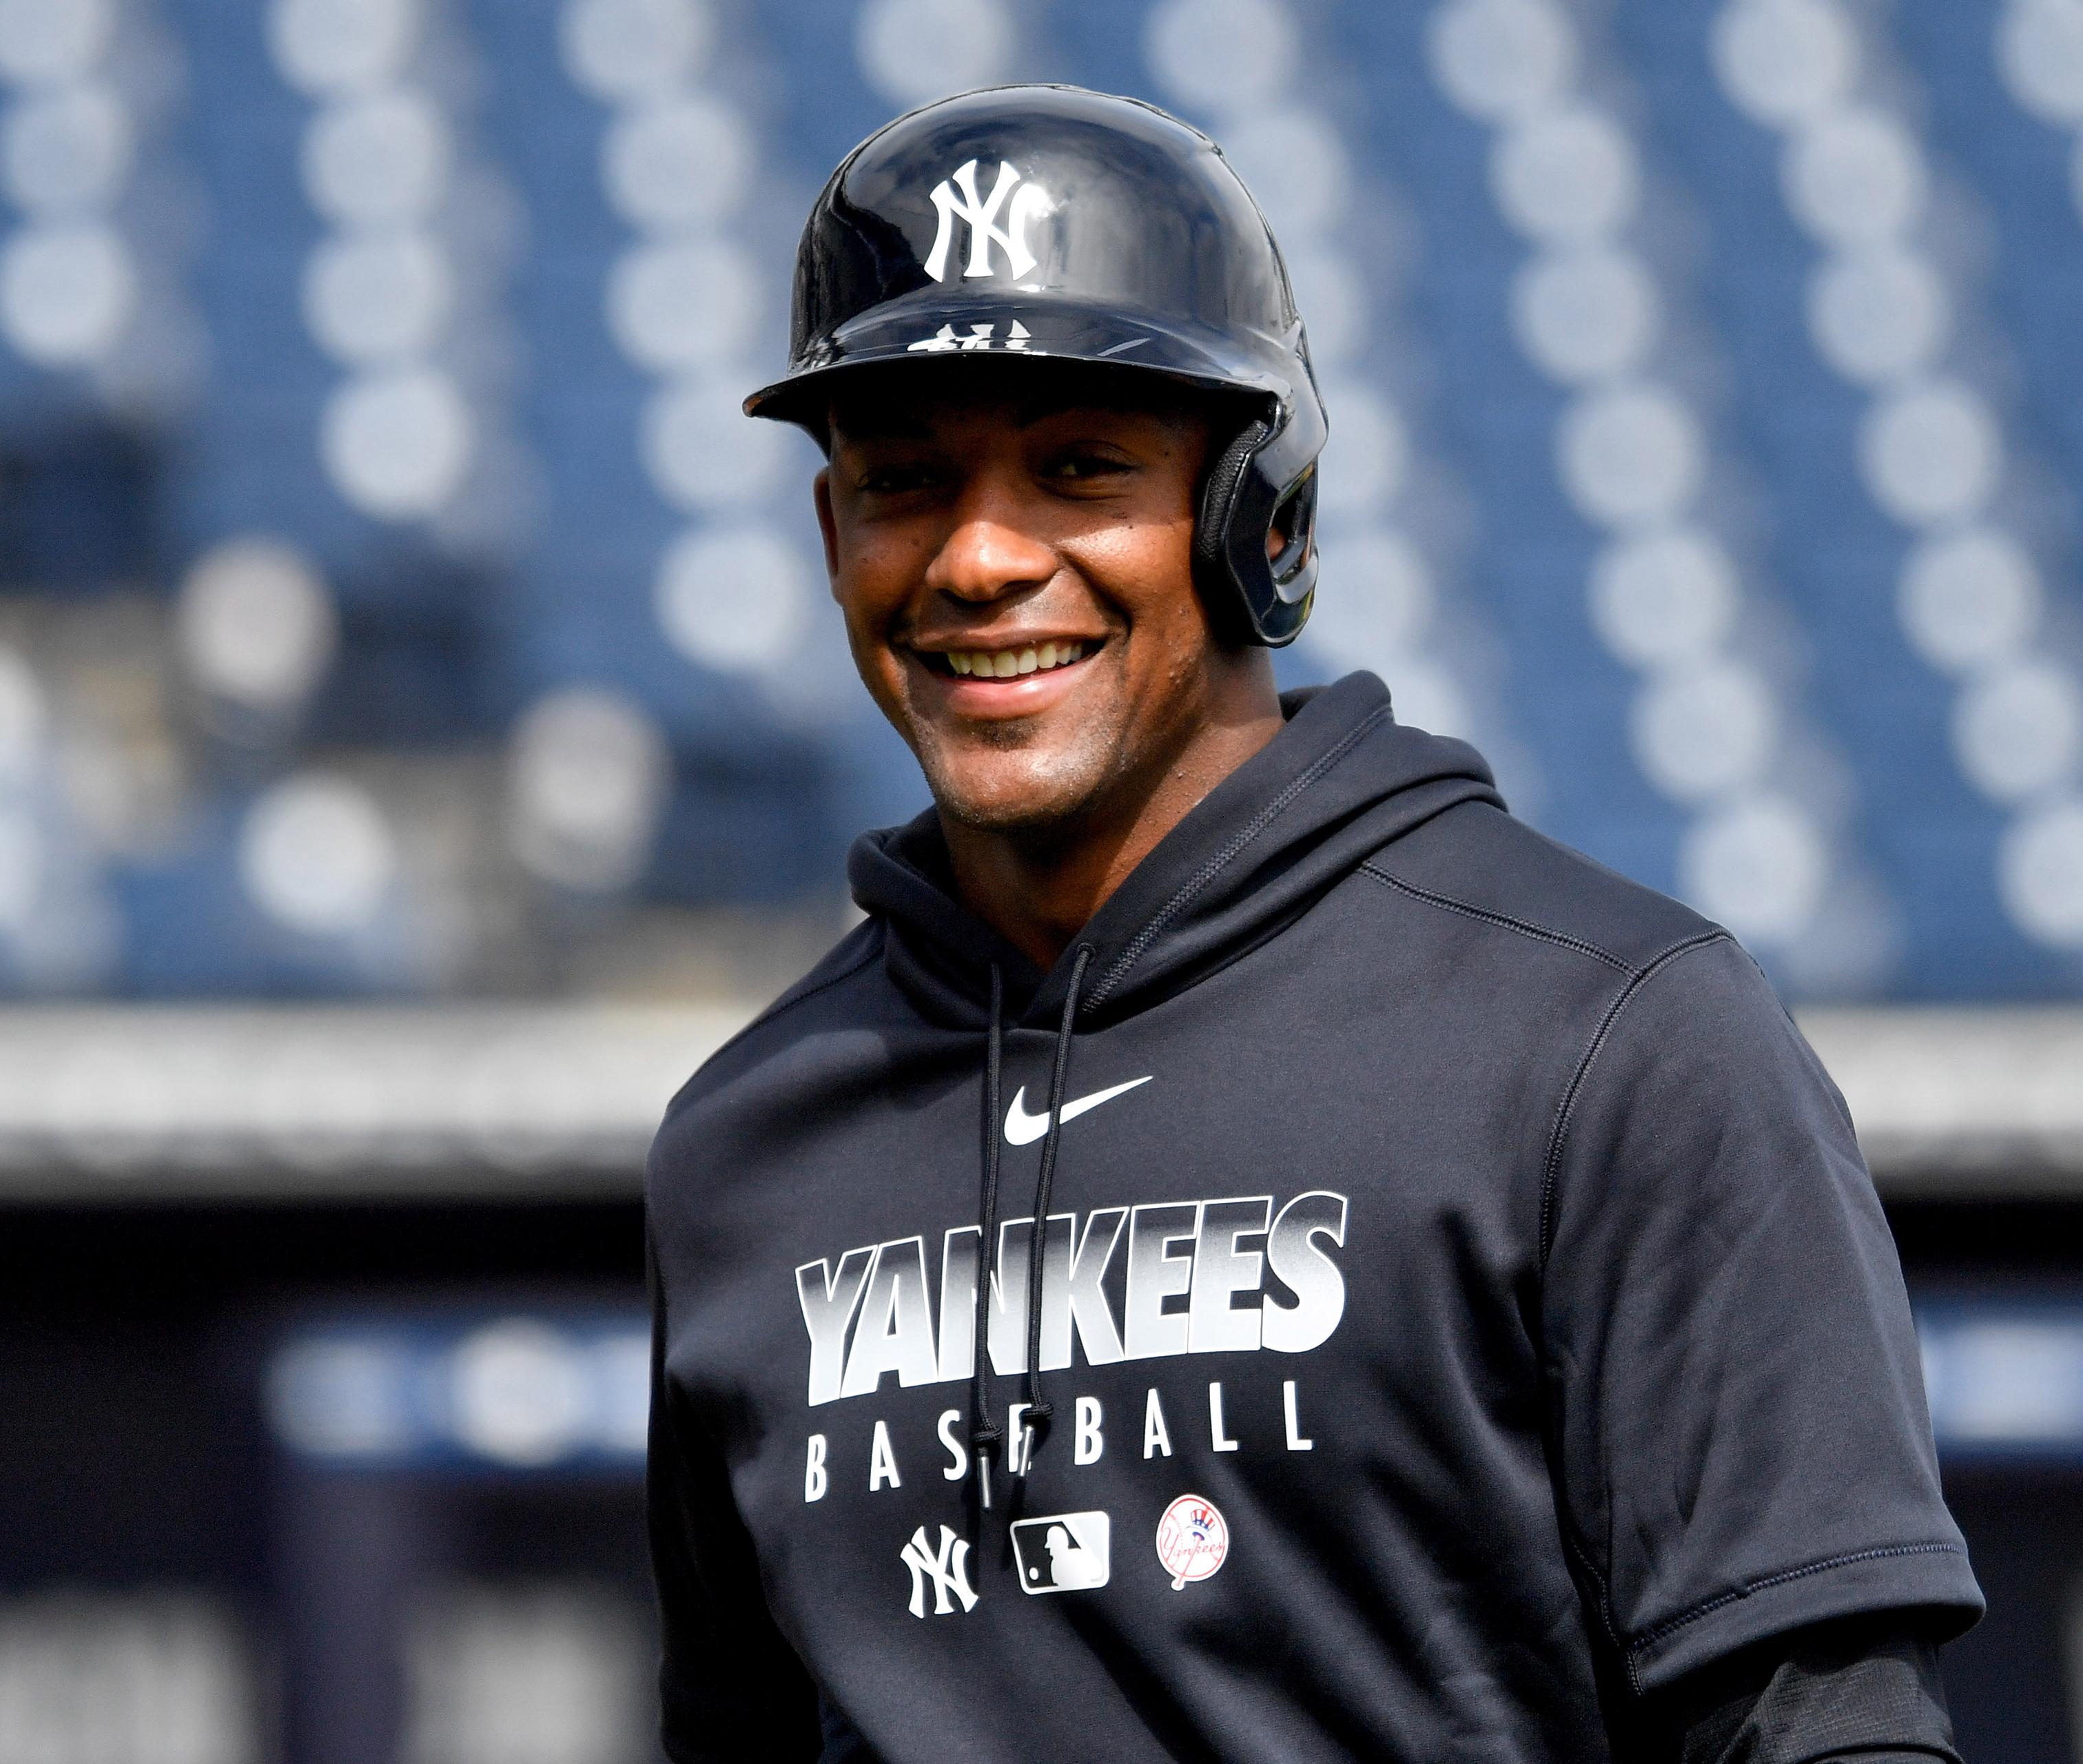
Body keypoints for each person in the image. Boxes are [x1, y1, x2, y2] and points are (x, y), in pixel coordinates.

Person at [643, 85, 1980, 1763]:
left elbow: (1824, 1732)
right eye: (906, 480)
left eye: (1078, 470)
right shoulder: (740, 1147)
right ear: (835, 537)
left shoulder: (1611, 1038)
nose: (979, 555)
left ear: (1251, 516)